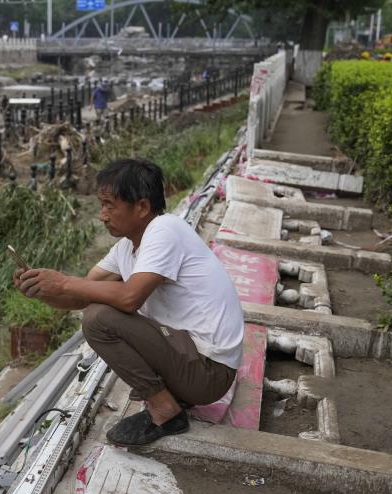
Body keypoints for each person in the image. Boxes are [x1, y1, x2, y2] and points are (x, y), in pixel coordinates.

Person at [13, 159, 244, 446]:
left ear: (143, 207)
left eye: (110, 205)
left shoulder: (164, 229)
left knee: (98, 319)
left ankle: (165, 409)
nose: (102, 215)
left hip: (209, 372)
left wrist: (61, 281)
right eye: (102, 205)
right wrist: (43, 291)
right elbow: (84, 293)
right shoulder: (126, 247)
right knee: (97, 311)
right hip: (191, 360)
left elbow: (129, 298)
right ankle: (170, 400)